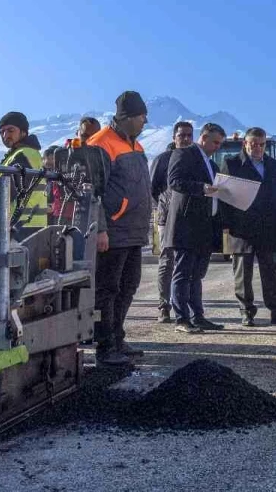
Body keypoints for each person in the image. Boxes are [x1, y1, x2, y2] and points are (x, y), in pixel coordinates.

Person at [88, 91, 154, 366]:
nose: (145, 122)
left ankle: (117, 338)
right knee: (107, 289)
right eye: (141, 117)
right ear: (126, 117)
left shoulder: (136, 146)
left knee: (129, 286)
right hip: (112, 232)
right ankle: (105, 347)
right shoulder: (100, 144)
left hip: (133, 232)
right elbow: (91, 191)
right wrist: (100, 228)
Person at [221, 126, 276, 327]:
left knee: (271, 271)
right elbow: (224, 199)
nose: (257, 148)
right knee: (243, 274)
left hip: (268, 227)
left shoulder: (274, 165)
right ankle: (246, 312)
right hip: (241, 229)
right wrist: (226, 228)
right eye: (253, 144)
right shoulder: (231, 164)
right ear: (245, 143)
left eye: (261, 144)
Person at [163, 122, 226, 334]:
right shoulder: (184, 154)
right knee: (182, 273)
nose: (218, 147)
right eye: (215, 142)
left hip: (204, 227)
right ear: (204, 137)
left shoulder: (212, 165)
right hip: (186, 226)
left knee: (197, 275)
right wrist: (202, 188)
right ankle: (182, 318)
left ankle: (198, 316)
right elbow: (175, 181)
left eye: (220, 143)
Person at [149, 121, 194, 323]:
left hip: (189, 218)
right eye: (181, 135)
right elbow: (152, 188)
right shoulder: (163, 159)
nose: (185, 139)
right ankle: (163, 306)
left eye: (188, 135)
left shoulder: (195, 159)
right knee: (167, 261)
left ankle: (183, 307)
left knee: (186, 264)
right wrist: (164, 205)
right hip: (166, 216)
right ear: (174, 137)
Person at [0, 112, 48, 228]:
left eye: (10, 130)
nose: (5, 135)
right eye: (2, 132)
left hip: (15, 232)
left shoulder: (24, 155)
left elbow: (4, 192)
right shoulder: (18, 155)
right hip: (21, 229)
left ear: (23, 132)